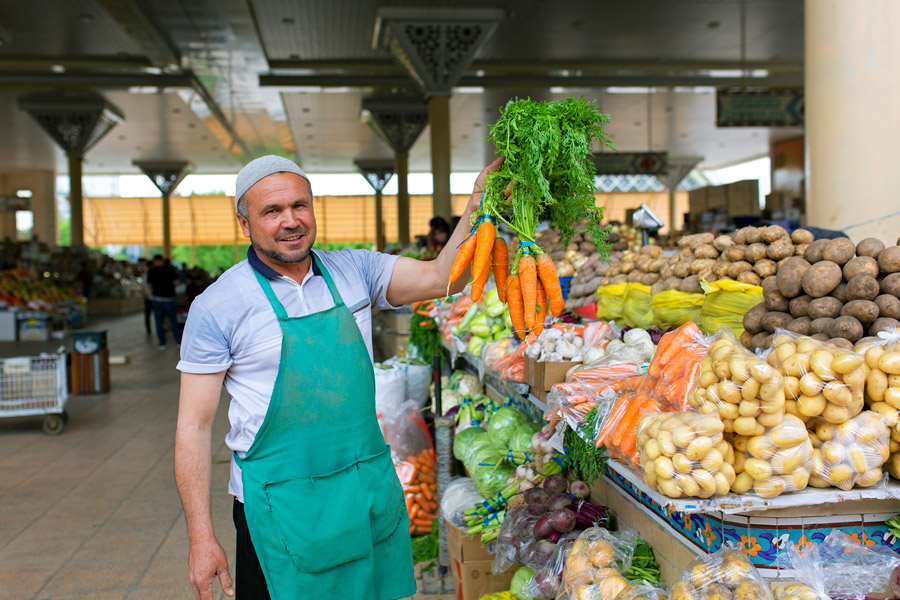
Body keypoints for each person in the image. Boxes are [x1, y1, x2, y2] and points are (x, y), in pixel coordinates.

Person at [174, 154, 503, 600]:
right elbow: (193, 428)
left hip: (363, 490)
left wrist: (480, 201)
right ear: (244, 223)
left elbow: (442, 277)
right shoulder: (218, 306)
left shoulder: (355, 270)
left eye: (299, 206)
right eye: (271, 211)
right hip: (281, 507)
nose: (290, 221)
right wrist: (200, 537)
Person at [146, 254, 181, 349]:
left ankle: (162, 344)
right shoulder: (169, 270)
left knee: (158, 322)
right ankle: (178, 342)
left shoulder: (151, 271)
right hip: (169, 299)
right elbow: (176, 282)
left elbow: (149, 286)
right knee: (173, 321)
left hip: (156, 299)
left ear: (155, 261)